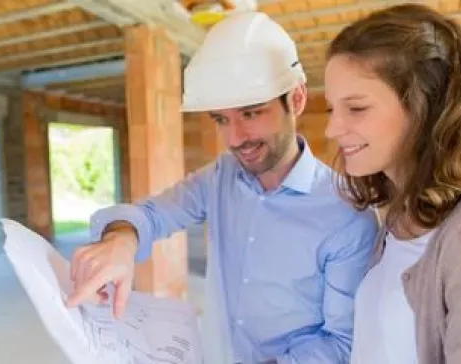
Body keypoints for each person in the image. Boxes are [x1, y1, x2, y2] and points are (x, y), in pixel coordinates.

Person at [66, 11, 378, 364]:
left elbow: (341, 344)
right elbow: (151, 216)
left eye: (250, 113)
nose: (234, 139)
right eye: (220, 119)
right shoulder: (221, 177)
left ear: (296, 100)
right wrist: (120, 240)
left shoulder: (347, 215)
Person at [323, 4, 461, 364]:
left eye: (356, 108)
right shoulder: (401, 211)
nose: (332, 129)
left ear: (425, 107)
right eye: (331, 109)